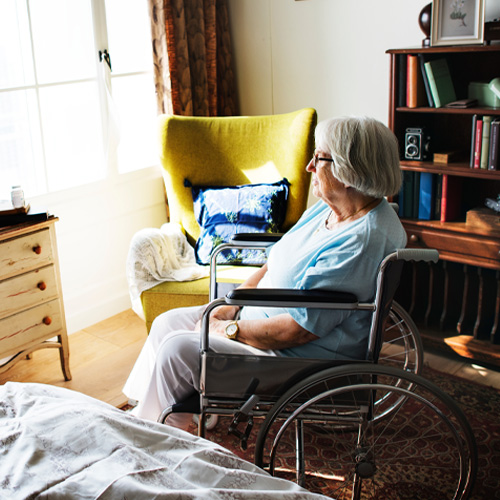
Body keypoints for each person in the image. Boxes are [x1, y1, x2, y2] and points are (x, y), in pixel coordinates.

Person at [123, 116, 407, 428]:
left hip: (294, 359)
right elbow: (273, 261)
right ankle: (151, 414)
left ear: (350, 171)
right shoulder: (329, 209)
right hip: (256, 323)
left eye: (319, 158)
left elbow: (298, 331)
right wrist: (231, 306)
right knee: (167, 323)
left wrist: (227, 330)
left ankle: (157, 431)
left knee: (178, 348)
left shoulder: (359, 242)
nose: (309, 166)